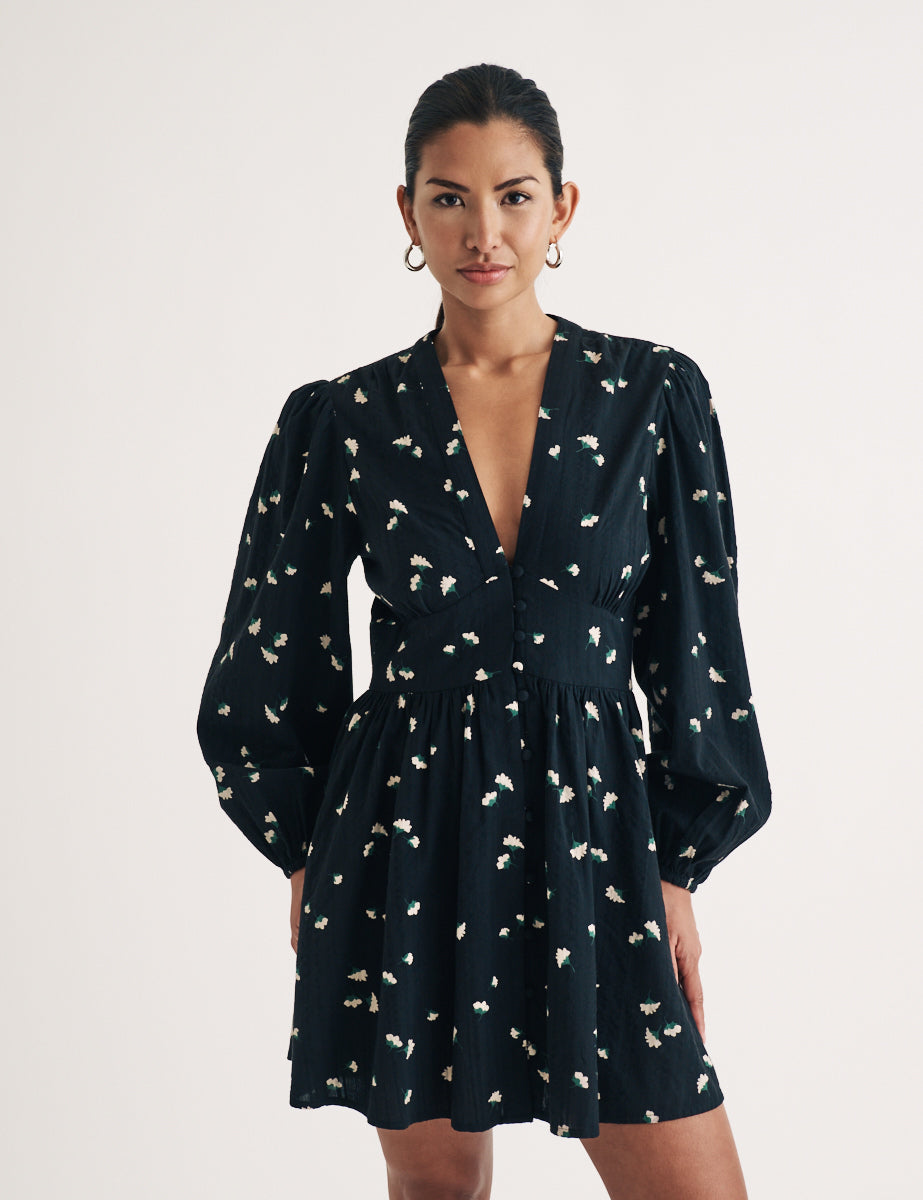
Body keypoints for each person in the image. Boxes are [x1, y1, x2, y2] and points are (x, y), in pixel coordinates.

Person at [196, 62, 771, 1200]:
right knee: (437, 1191)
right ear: (406, 213)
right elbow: (272, 650)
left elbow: (696, 646)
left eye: (513, 196)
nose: (482, 231)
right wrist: (304, 849)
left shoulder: (651, 395)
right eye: (448, 197)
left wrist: (676, 866)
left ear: (562, 207)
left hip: (599, 837)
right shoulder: (342, 417)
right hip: (404, 829)